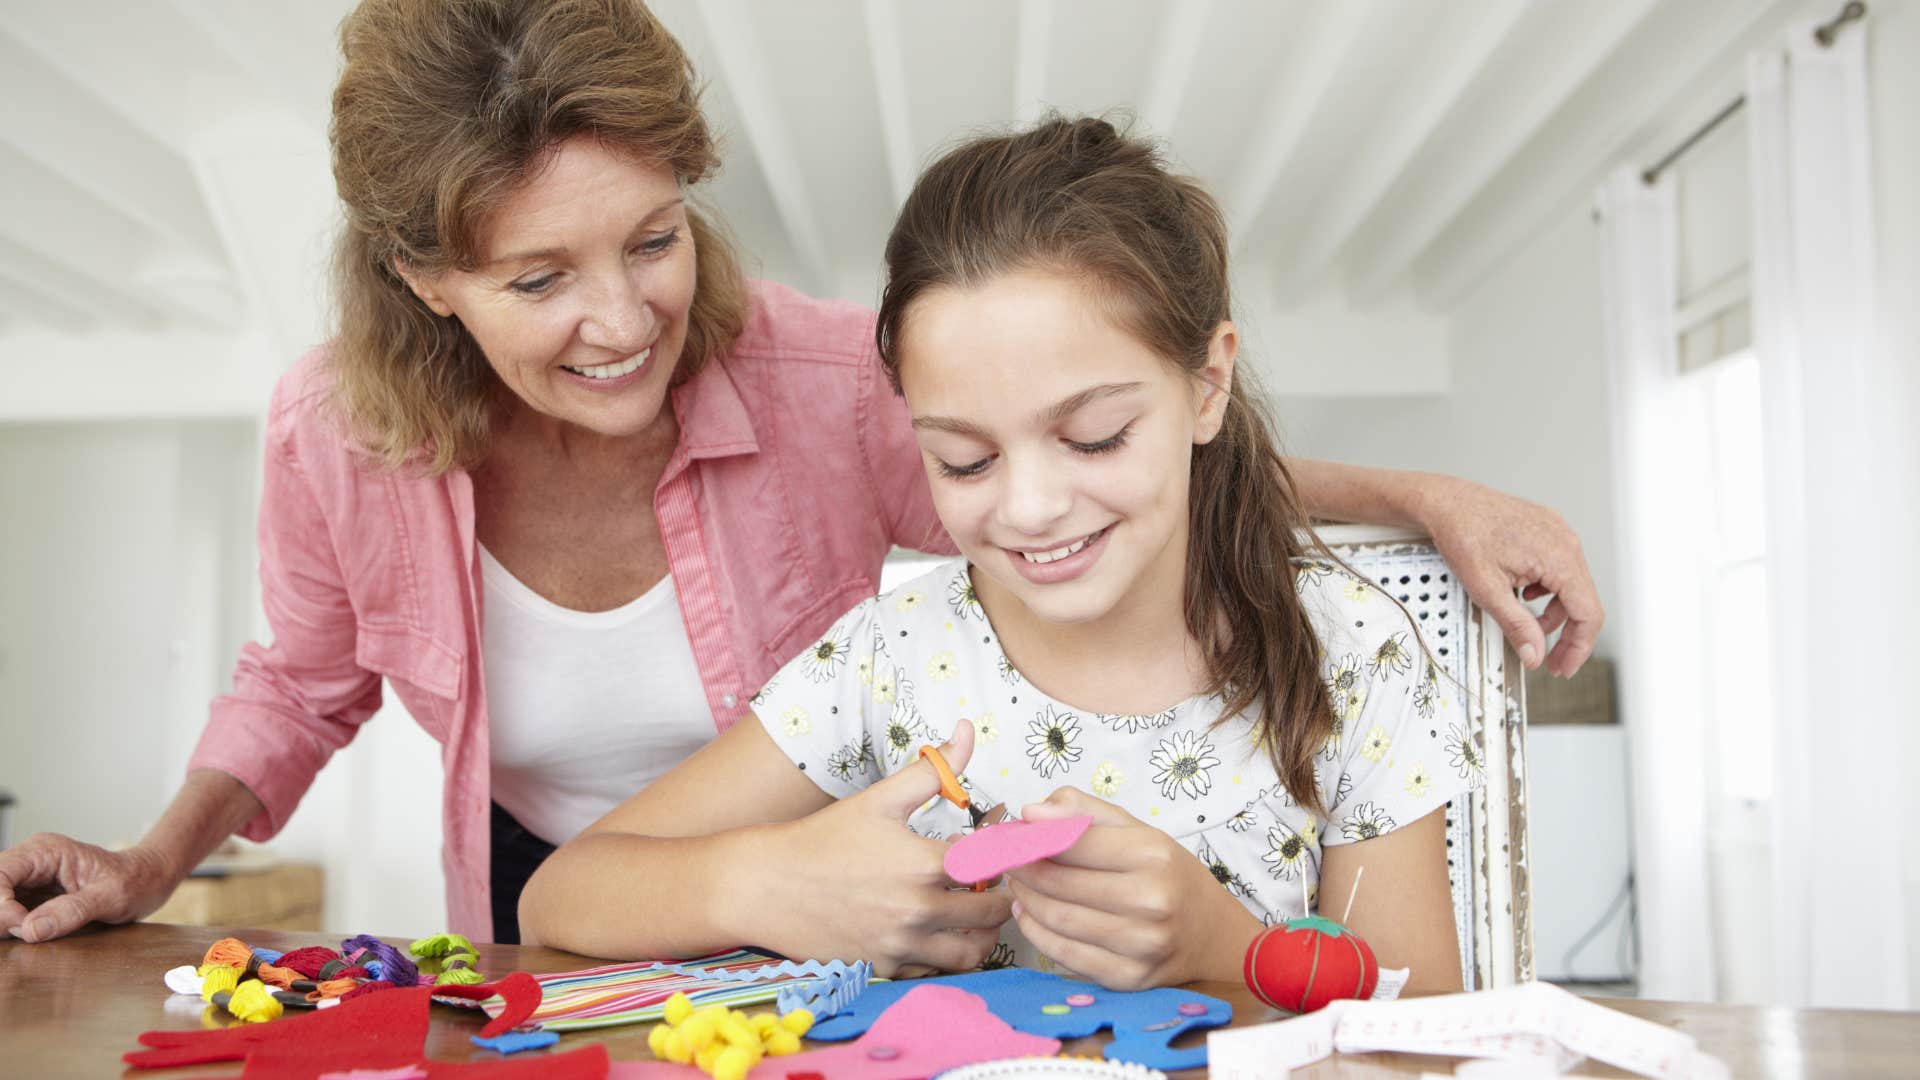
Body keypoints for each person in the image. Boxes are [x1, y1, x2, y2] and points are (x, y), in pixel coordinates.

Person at [0, 0, 1598, 949]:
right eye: (541, 281)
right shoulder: (330, 437)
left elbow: (1119, 447)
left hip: (867, 874)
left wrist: (1425, 496)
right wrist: (155, 859)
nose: (623, 320)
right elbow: (302, 683)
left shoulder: (841, 386)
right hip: (619, 878)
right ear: (427, 278)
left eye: (651, 239)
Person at [517, 117, 1479, 993]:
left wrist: (1226, 950)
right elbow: (558, 896)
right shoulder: (892, 660)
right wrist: (768, 878)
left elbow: (1432, 1031)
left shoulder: (1352, 649)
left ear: (1207, 385)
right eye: (963, 458)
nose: (1029, 508)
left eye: (1096, 436)